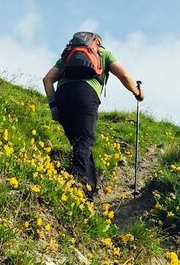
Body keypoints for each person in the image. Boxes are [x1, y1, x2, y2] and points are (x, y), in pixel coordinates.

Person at [43, 32, 144, 198]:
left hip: (63, 96)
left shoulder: (67, 54)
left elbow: (47, 79)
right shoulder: (104, 54)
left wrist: (54, 108)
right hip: (86, 94)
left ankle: (89, 192)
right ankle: (78, 186)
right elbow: (124, 75)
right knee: (85, 139)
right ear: (98, 43)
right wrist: (137, 92)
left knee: (80, 142)